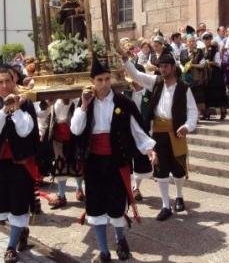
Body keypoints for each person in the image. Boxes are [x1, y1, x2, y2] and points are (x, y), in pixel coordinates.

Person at [70, 57, 157, 263]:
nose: (104, 83)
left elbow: (137, 130)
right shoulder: (85, 103)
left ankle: (120, 240)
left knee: (117, 205)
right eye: (99, 80)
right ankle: (103, 251)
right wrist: (83, 106)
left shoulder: (123, 103)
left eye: (107, 79)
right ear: (92, 81)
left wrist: (150, 149)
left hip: (116, 160)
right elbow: (75, 129)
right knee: (96, 206)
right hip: (94, 163)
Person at [123, 52, 198, 221]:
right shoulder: (155, 82)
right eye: (161, 67)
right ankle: (166, 205)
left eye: (166, 66)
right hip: (158, 132)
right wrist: (125, 60)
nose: (163, 70)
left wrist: (187, 126)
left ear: (173, 67)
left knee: (178, 169)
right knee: (160, 169)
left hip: (177, 131)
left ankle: (179, 196)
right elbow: (136, 75)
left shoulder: (184, 88)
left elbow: (193, 111)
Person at [0, 68, 39, 263]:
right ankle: (21, 230)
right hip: (1, 163)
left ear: (14, 82)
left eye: (8, 81)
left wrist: (17, 109)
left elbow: (25, 131)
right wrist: (4, 110)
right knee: (3, 206)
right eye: (0, 82)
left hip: (20, 163)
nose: (5, 86)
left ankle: (11, 247)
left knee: (19, 204)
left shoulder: (26, 104)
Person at [123, 63, 154, 202]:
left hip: (144, 131)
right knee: (128, 161)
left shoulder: (150, 94)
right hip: (127, 133)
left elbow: (153, 115)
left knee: (141, 161)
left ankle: (136, 187)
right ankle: (128, 188)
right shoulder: (126, 94)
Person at [203, 32, 227, 119]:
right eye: (205, 39)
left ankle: (223, 112)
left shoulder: (215, 49)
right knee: (208, 93)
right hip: (208, 74)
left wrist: (210, 62)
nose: (207, 40)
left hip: (215, 74)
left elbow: (218, 63)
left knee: (219, 93)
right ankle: (208, 113)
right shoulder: (203, 49)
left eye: (208, 38)